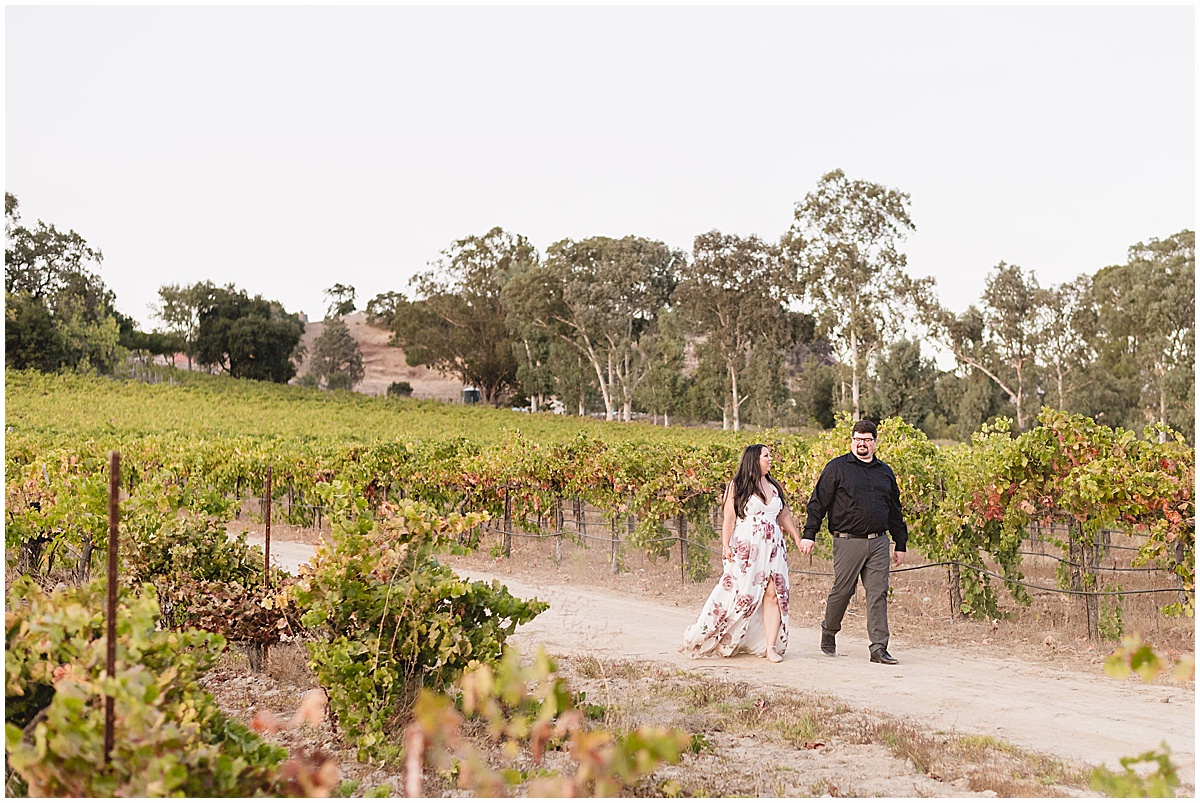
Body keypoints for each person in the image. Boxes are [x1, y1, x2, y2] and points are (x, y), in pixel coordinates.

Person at [680, 444, 805, 662]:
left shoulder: (774, 486)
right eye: (766, 456)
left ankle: (770, 646)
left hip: (774, 547)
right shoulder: (737, 486)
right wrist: (726, 545)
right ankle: (716, 635)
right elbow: (729, 518)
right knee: (741, 595)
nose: (770, 459)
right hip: (747, 547)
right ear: (754, 459)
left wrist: (796, 537)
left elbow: (783, 514)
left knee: (773, 593)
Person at [798, 420, 907, 665]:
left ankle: (878, 648)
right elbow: (818, 503)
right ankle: (829, 629)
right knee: (843, 590)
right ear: (852, 441)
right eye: (857, 439)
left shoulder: (885, 472)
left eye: (867, 439)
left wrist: (900, 543)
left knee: (878, 593)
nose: (862, 444)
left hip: (879, 542)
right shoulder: (837, 468)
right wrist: (809, 533)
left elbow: (894, 511)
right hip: (848, 541)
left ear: (875, 443)